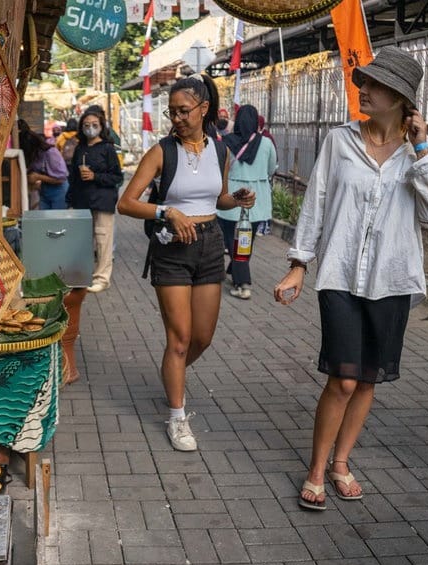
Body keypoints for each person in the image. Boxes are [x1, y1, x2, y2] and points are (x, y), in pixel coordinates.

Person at [274, 47, 428, 511]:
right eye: (364, 82)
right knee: (344, 379)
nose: (363, 89)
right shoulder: (340, 140)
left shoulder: (419, 151)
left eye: (374, 85)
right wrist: (299, 262)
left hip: (391, 279)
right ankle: (317, 468)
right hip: (339, 274)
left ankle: (341, 463)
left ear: (399, 97)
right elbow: (315, 201)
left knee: (367, 379)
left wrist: (420, 148)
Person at [116, 74, 254, 452]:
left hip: (210, 244)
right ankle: (177, 416)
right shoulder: (162, 151)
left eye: (183, 111)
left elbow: (217, 199)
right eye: (171, 111)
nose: (175, 118)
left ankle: (171, 375)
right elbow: (126, 203)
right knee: (178, 340)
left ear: (203, 109)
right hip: (172, 248)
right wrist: (166, 211)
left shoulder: (221, 151)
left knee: (202, 338)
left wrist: (236, 198)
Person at [216, 104, 277, 300]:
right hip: (257, 198)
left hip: (231, 197)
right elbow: (271, 169)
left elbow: (220, 169)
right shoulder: (266, 143)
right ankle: (237, 272)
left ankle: (243, 283)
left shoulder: (226, 142)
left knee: (232, 240)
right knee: (246, 240)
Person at [67, 109, 123, 293]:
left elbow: (116, 177)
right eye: (86, 125)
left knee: (102, 239)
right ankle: (82, 275)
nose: (90, 128)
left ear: (101, 126)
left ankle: (102, 278)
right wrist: (70, 200)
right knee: (82, 241)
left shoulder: (107, 148)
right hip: (82, 201)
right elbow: (73, 177)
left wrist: (95, 176)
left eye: (94, 125)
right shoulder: (80, 148)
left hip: (102, 201)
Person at [20, 120, 69, 210]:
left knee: (57, 221)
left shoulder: (51, 153)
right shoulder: (36, 156)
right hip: (45, 191)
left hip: (59, 192)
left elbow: (61, 178)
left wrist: (38, 177)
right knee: (44, 220)